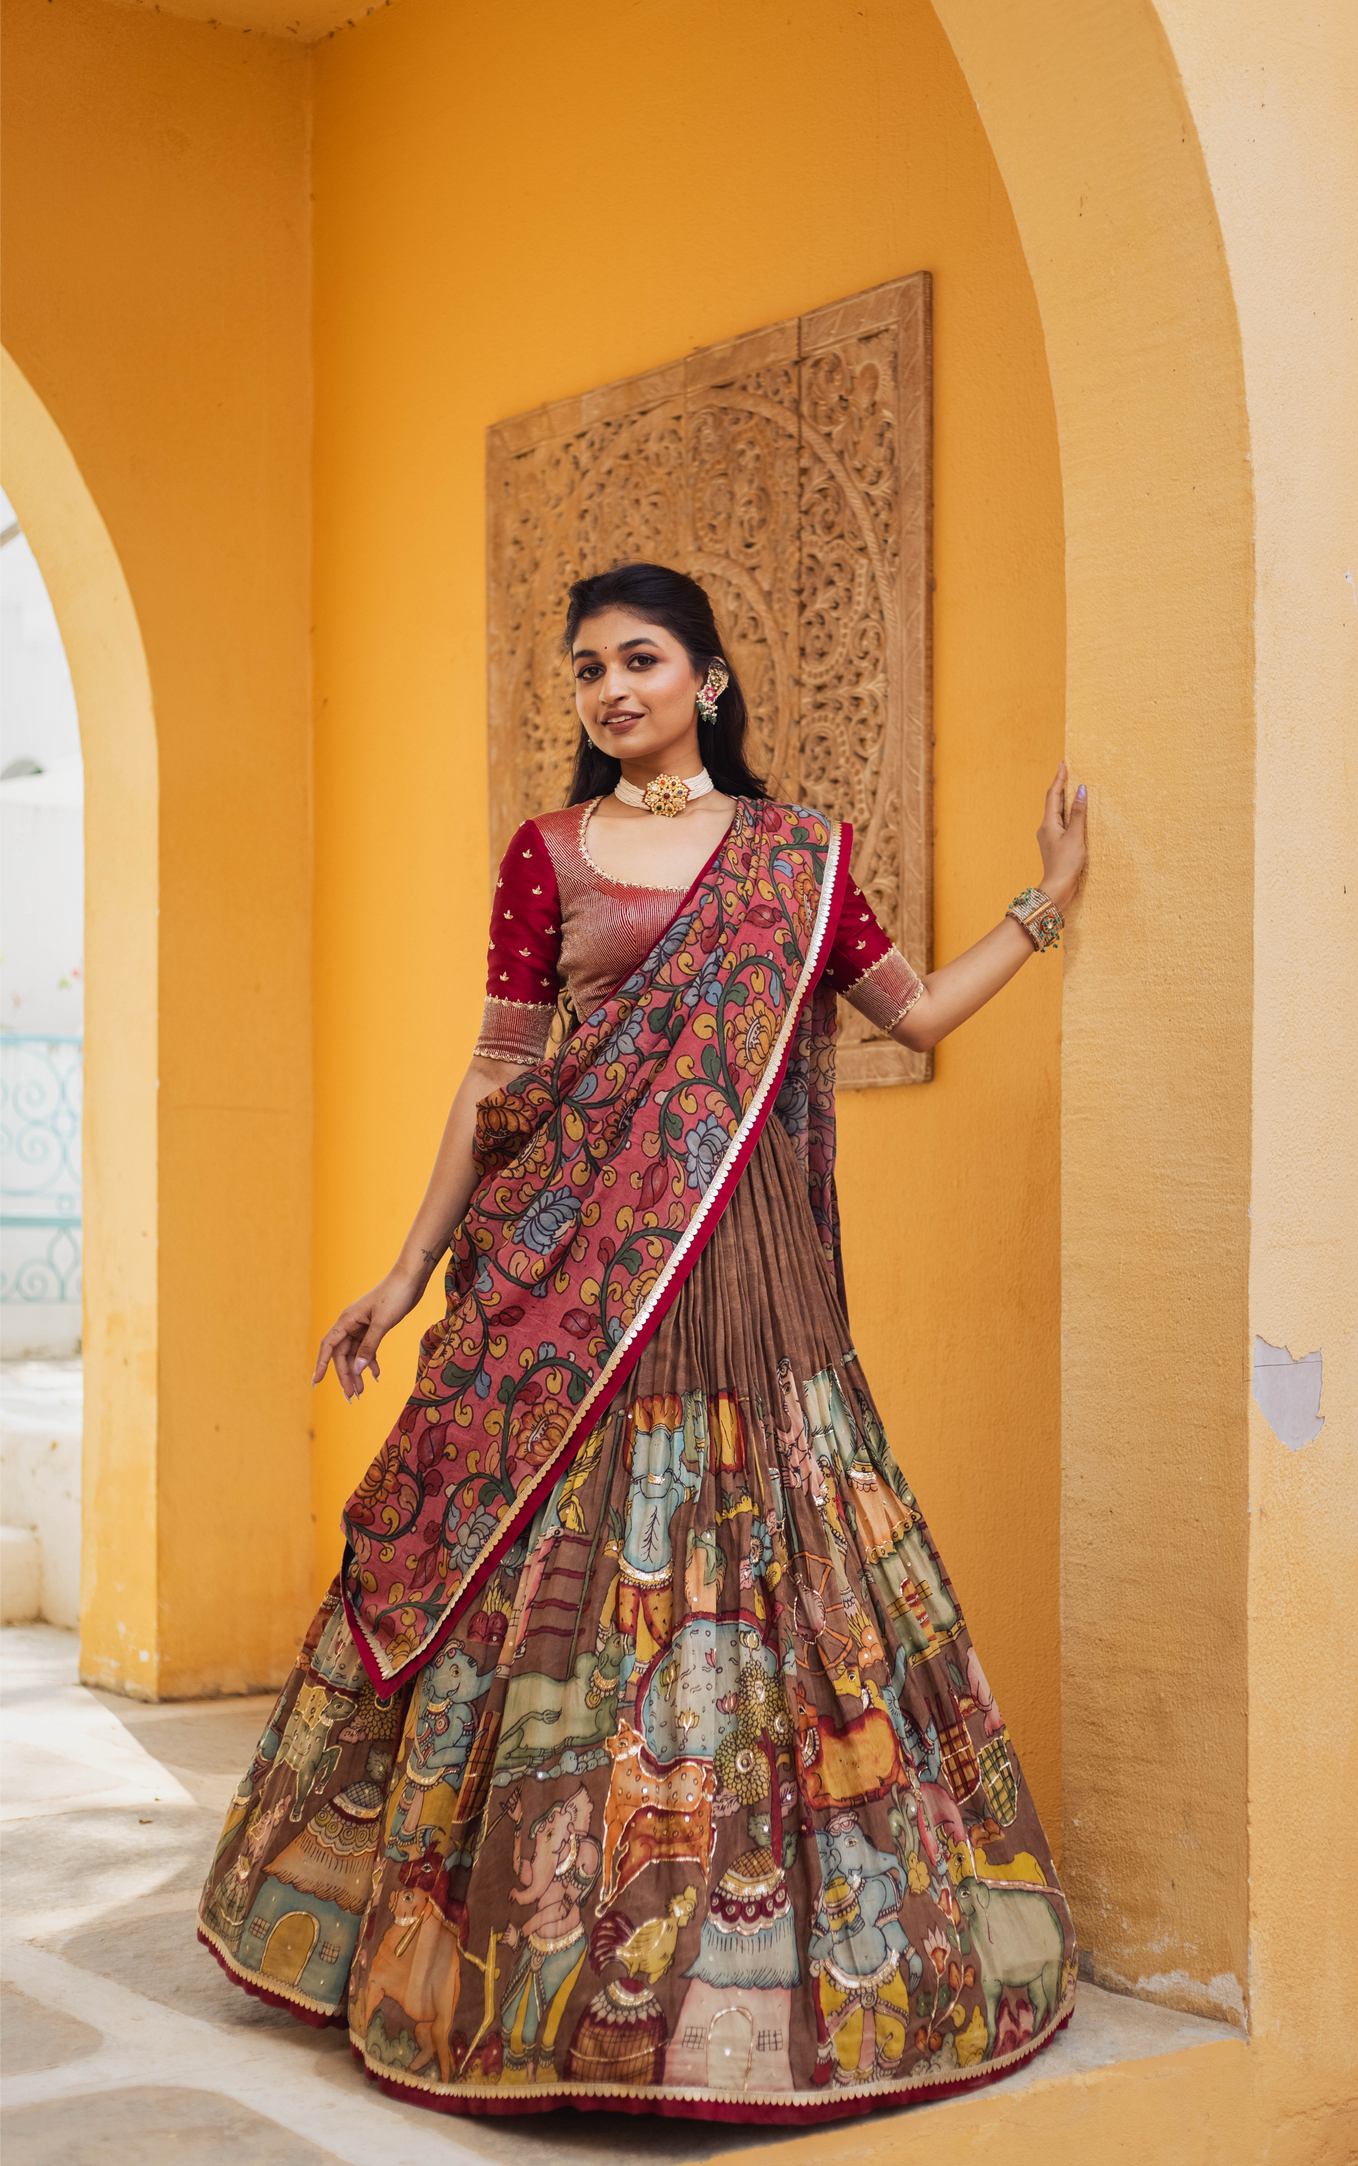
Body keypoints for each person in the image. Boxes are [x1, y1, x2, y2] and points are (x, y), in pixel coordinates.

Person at [198, 560, 1088, 2123]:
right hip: (569, 1277)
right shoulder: (549, 855)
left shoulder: (794, 859)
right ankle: (516, 1968)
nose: (613, 690)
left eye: (643, 659)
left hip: (743, 1276)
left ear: (710, 680)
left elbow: (917, 1012)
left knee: (778, 1565)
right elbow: (498, 1080)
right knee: (549, 1579)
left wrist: (1044, 907)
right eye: (589, 668)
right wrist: (409, 1271)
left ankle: (767, 1974)